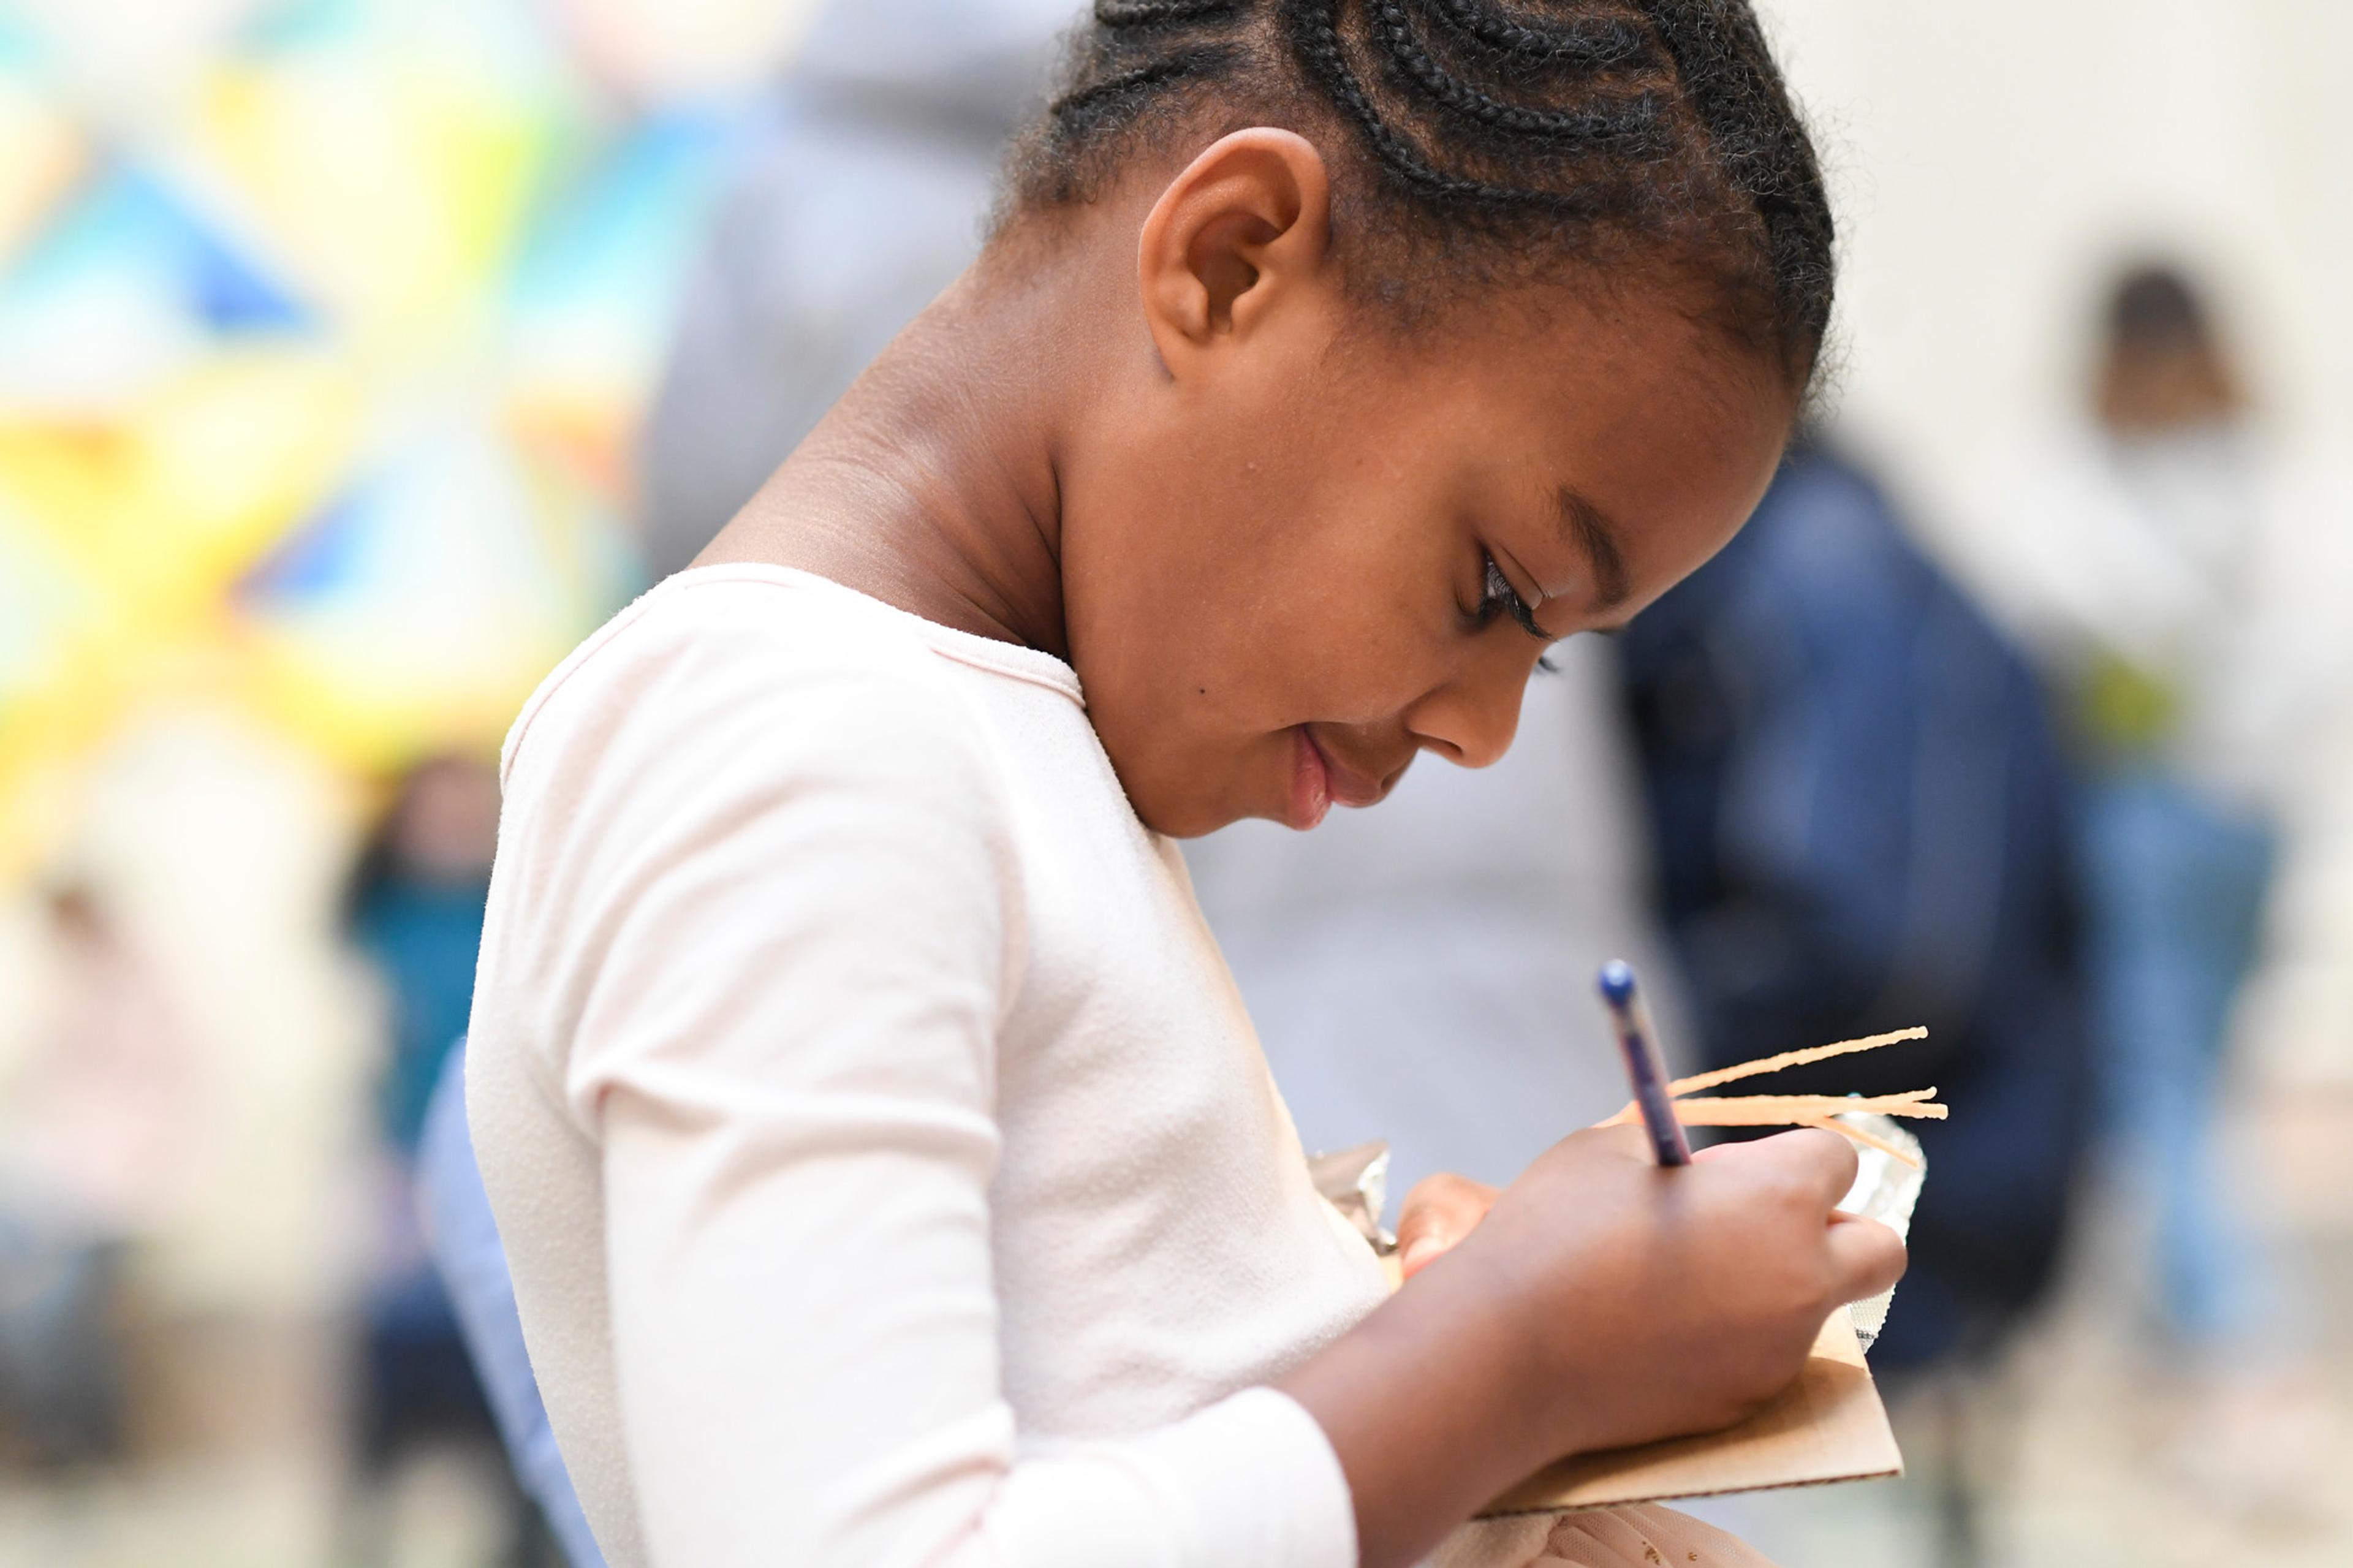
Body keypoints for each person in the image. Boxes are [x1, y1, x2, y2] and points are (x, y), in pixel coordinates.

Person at [464, 7, 1906, 1567]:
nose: (1485, 733)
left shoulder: (990, 760)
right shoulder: (791, 745)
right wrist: (1513, 1350)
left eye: (1548, 655)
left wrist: (1420, 1356)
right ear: (1226, 261)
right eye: (1498, 586)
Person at [1616, 441, 2093, 1564]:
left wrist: (1682, 1041)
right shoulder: (1832, 555)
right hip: (1917, 1194)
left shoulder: (1811, 566)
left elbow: (1883, 947)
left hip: (1890, 1213)